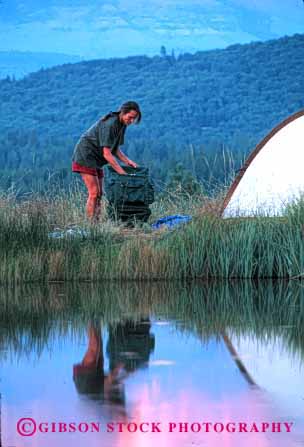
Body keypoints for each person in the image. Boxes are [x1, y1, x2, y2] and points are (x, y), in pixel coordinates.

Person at [72, 101, 141, 222]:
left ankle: (96, 223)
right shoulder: (110, 124)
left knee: (100, 194)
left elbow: (115, 149)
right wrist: (121, 172)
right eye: (130, 117)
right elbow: (107, 154)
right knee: (94, 193)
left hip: (96, 159)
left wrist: (128, 161)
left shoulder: (122, 125)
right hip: (86, 155)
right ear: (123, 113)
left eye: (133, 119)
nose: (131, 121)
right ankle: (90, 225)